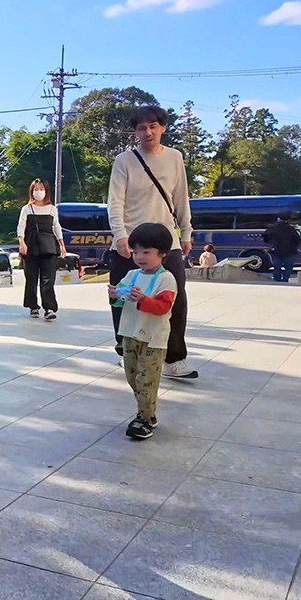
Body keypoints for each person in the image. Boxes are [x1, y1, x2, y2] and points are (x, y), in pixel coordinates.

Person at [107, 105, 197, 379]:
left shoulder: (174, 158)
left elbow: (181, 197)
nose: (147, 132)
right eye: (141, 128)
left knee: (175, 298)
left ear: (162, 128)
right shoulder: (124, 161)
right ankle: (126, 351)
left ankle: (173, 358)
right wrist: (120, 235)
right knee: (123, 297)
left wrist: (186, 232)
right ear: (135, 131)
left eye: (153, 126)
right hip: (130, 242)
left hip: (165, 241)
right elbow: (115, 202)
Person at [108, 223, 178, 441]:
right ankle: (148, 412)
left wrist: (143, 300)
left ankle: (144, 419)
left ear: (163, 253)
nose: (140, 257)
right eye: (135, 251)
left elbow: (163, 307)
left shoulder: (166, 279)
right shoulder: (131, 275)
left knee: (146, 379)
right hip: (130, 334)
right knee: (132, 376)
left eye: (146, 252)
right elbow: (118, 302)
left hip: (153, 339)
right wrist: (114, 294)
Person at [16, 178, 66, 320]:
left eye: (41, 189)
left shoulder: (52, 209)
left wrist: (62, 244)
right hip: (31, 245)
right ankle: (33, 306)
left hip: (49, 246)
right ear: (31, 191)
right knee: (31, 278)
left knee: (48, 279)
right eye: (36, 189)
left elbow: (57, 227)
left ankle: (49, 308)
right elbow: (21, 226)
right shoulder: (26, 209)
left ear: (46, 191)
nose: (39, 192)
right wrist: (22, 242)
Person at [263, 217, 301, 283]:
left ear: (279, 219)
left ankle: (277, 279)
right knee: (289, 267)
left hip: (277, 250)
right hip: (289, 251)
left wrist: (271, 243)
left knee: (277, 267)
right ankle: (285, 279)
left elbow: (265, 236)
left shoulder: (273, 228)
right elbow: (297, 239)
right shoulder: (290, 229)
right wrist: (294, 248)